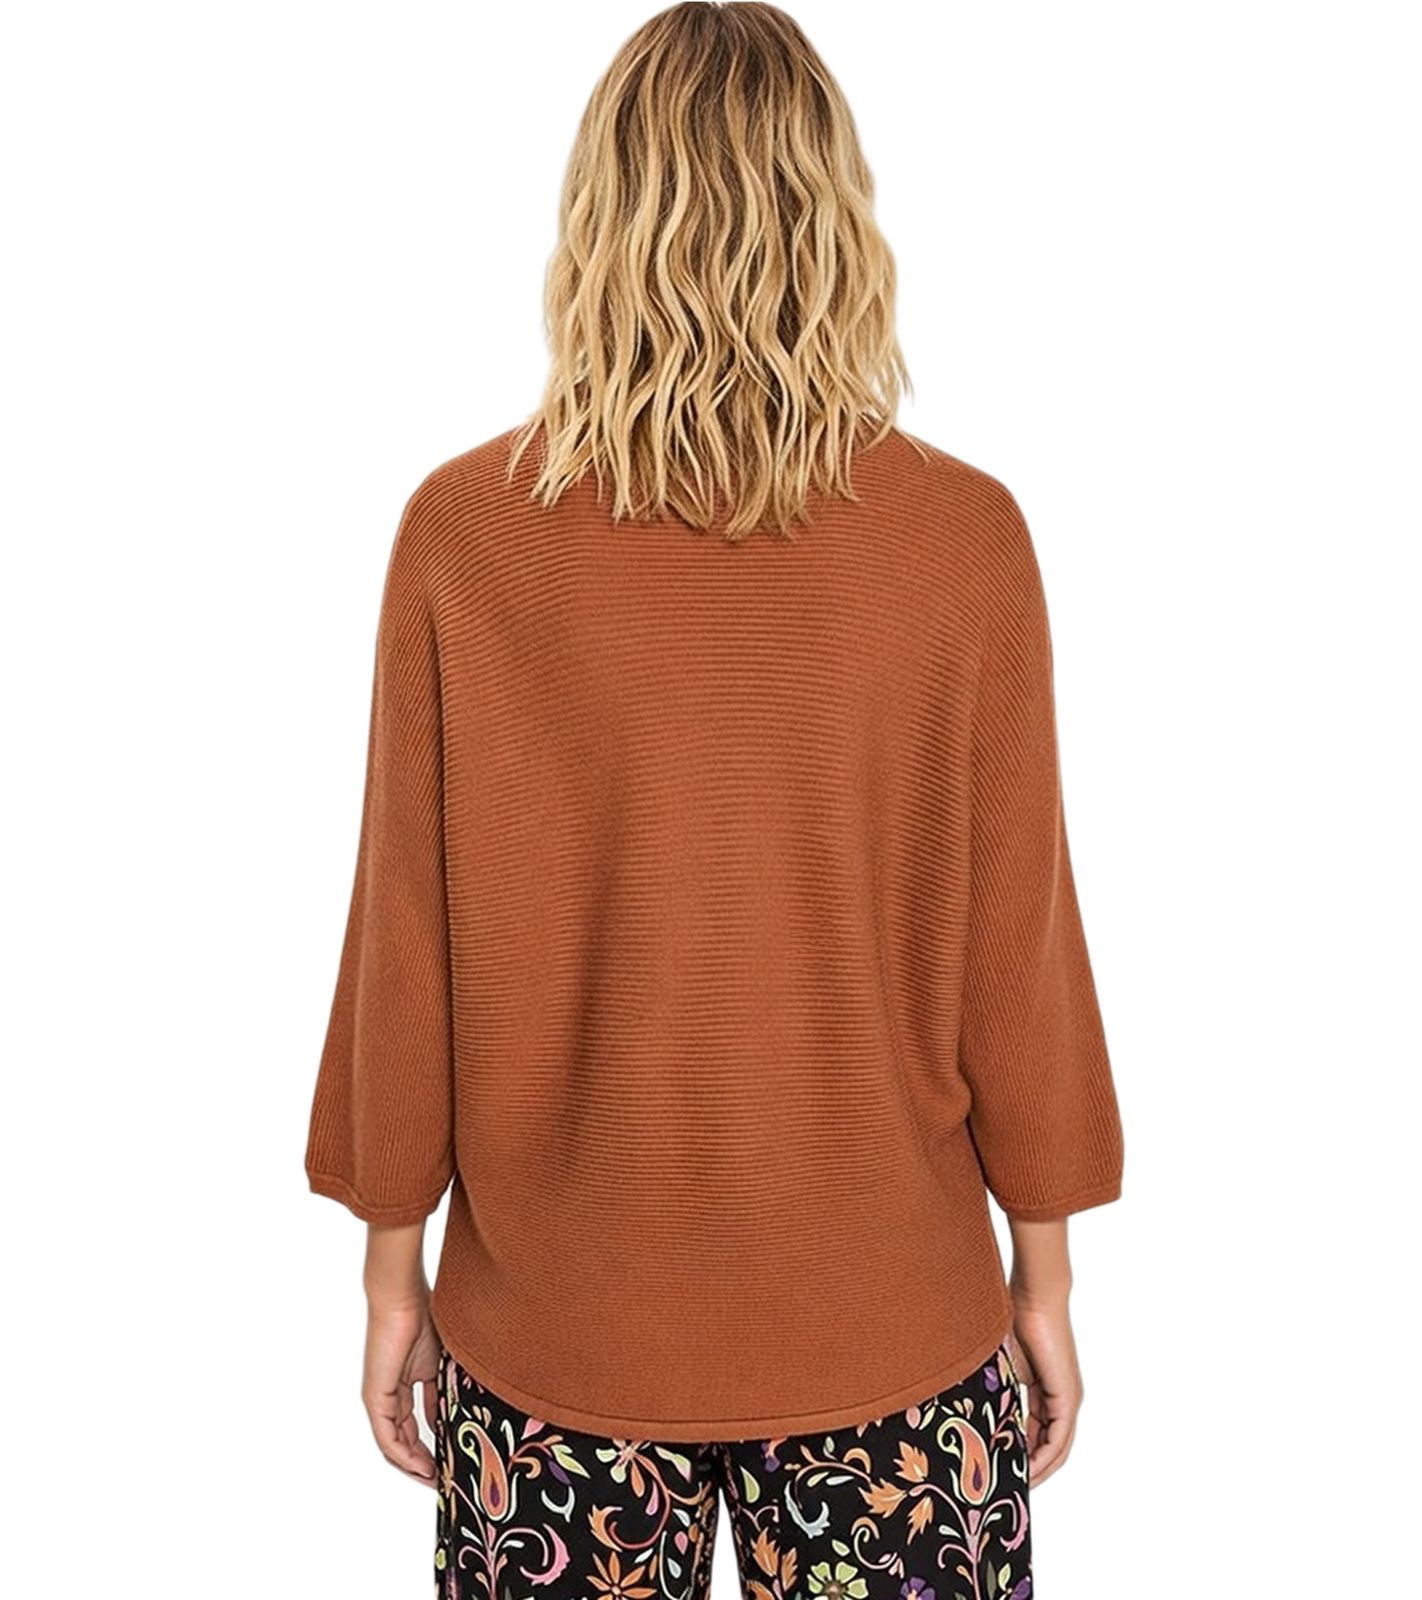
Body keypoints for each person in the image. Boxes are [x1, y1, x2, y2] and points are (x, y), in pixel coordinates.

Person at [303, 5, 1125, 1596]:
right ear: (836, 215)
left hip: (553, 1333)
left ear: (598, 218)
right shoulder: (965, 541)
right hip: (889, 1320)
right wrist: (1046, 1268)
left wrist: (391, 1267)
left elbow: (405, 940)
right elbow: (1017, 956)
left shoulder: (465, 535)